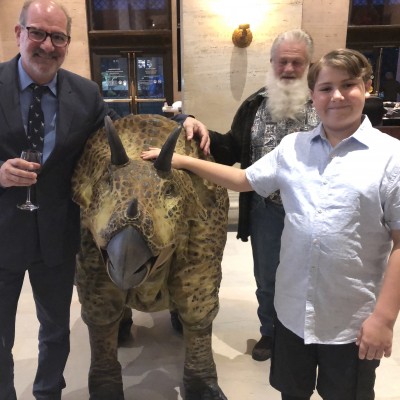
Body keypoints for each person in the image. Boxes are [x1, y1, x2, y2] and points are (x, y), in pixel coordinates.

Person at [142, 48, 400, 400]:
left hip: (350, 321)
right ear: (313, 95)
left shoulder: (390, 157)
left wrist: (383, 319)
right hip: (292, 313)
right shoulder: (293, 148)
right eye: (325, 88)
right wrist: (182, 162)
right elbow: (242, 179)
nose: (337, 96)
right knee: (291, 393)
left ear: (366, 88)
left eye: (349, 85)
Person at [0, 1, 205, 399]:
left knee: (56, 329)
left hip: (56, 237)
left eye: (58, 37)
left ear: (67, 42)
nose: (47, 45)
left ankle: (48, 393)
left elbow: (122, 127)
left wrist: (185, 120)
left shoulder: (85, 93)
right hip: (2, 231)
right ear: (19, 33)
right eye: (38, 33)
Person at [183, 29, 319, 361]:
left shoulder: (326, 102)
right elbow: (230, 146)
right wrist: (196, 125)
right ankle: (271, 334)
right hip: (266, 211)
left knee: (314, 275)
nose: (288, 69)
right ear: (271, 63)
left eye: (296, 63)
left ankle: (310, 337)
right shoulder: (254, 105)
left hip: (315, 211)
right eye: (282, 62)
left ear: (309, 65)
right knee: (267, 277)